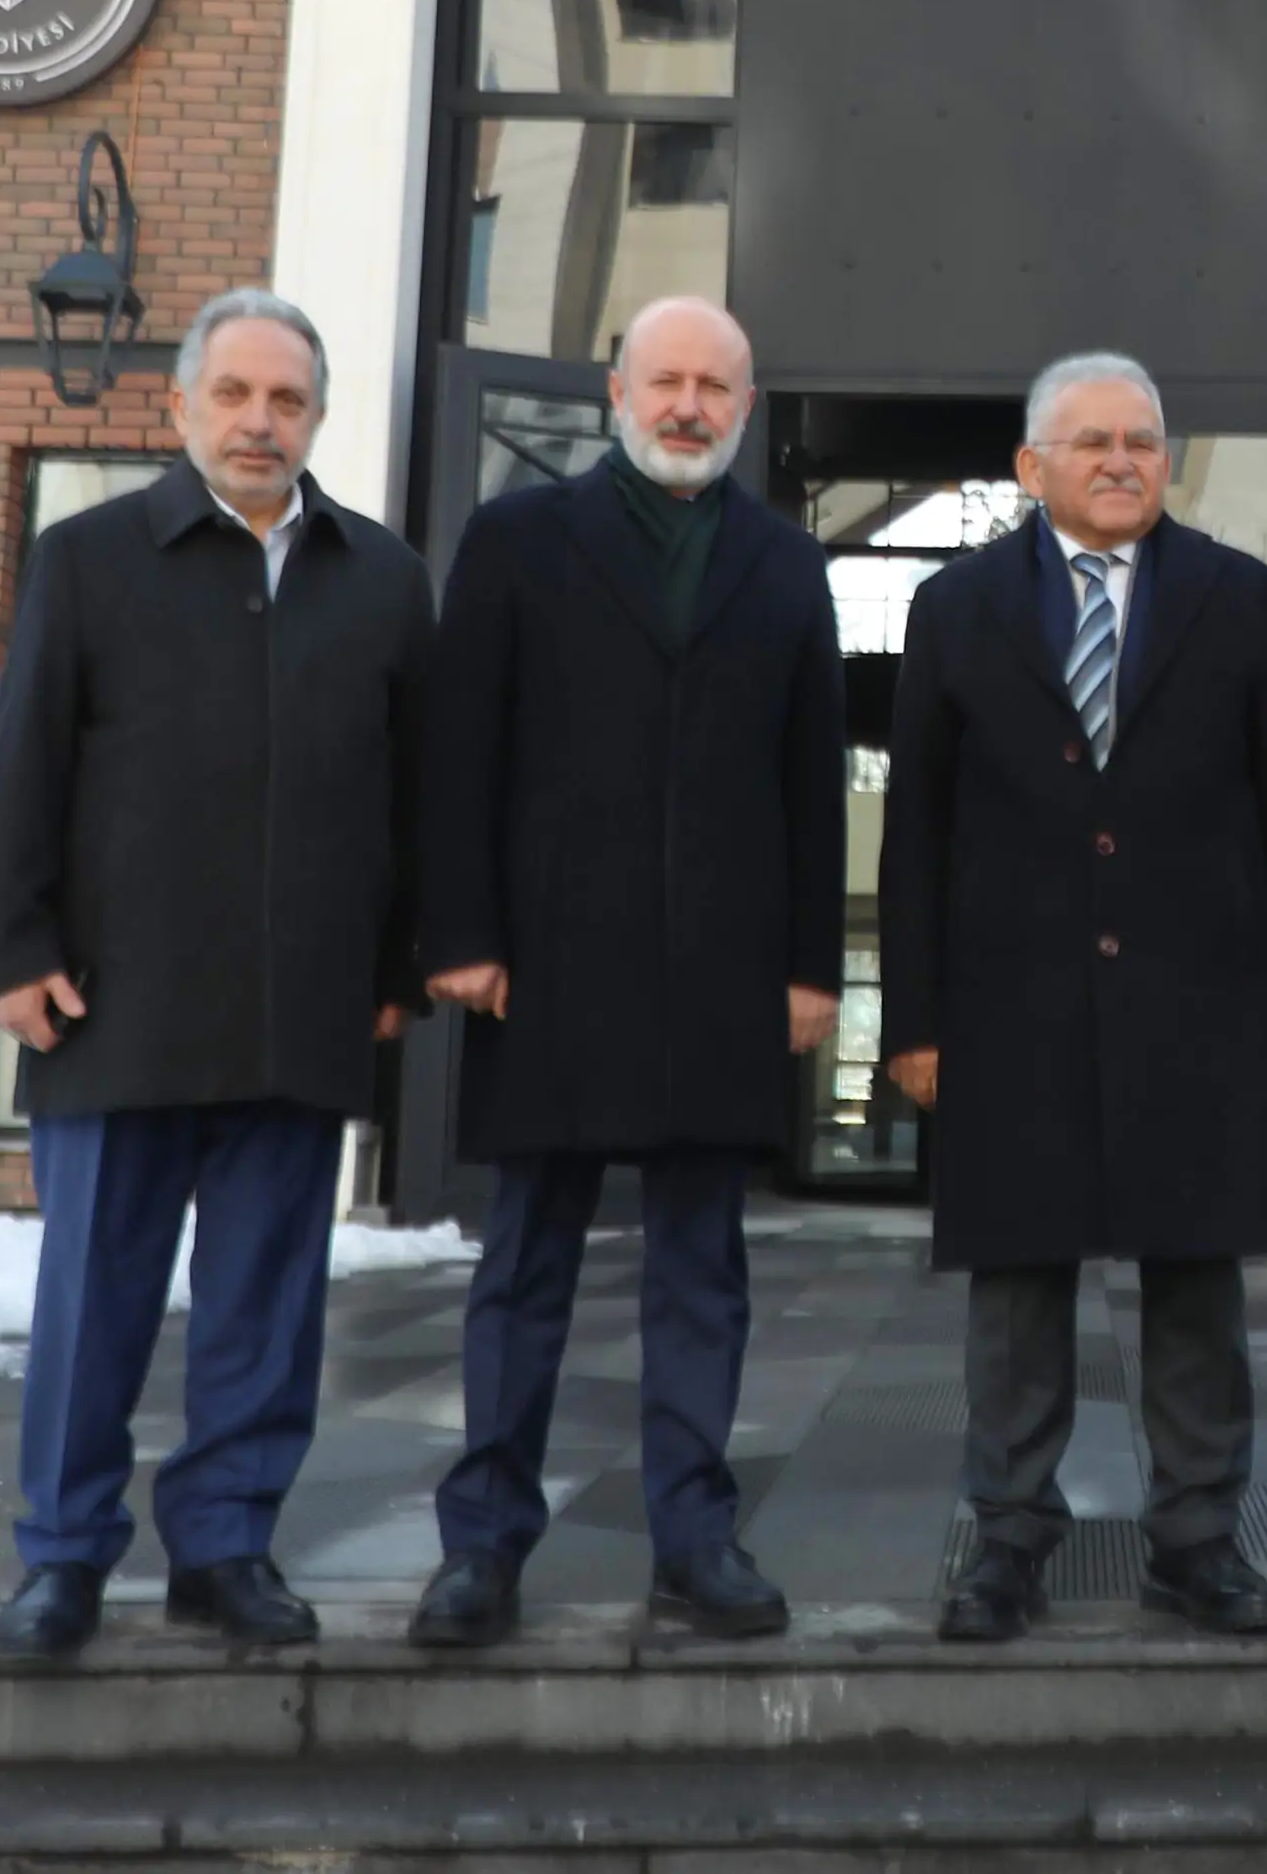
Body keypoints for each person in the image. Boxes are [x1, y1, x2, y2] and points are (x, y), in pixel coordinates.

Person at [0, 286, 430, 1658]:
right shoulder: (90, 560)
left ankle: (226, 1546)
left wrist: (395, 964)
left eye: (286, 399)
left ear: (319, 417)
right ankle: (62, 1557)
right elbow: (22, 765)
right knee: (93, 1304)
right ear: (180, 407)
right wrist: (11, 951)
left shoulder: (384, 579)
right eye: (233, 394)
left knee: (265, 1310)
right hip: (118, 1005)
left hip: (300, 1009)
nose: (258, 421)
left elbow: (415, 798)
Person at [882, 353, 1267, 1644]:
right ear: (1031, 467)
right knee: (1016, 1290)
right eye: (1091, 442)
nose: (1122, 460)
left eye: (1141, 440)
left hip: (1203, 1002)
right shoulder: (956, 605)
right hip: (1008, 1006)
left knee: (1196, 1283)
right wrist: (913, 1019)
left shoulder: (1239, 598)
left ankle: (1198, 1540)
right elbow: (915, 827)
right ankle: (1007, 1539)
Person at [408, 294, 846, 1646]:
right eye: (666, 380)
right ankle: (482, 1546)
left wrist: (811, 965)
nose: (688, 407)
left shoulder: (786, 564)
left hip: (723, 970)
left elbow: (812, 779)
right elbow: (459, 749)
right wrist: (460, 932)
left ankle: (695, 1539)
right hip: (548, 961)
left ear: (745, 407)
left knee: (702, 1270)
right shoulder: (516, 537)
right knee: (524, 1265)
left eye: (716, 386)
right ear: (616, 392)